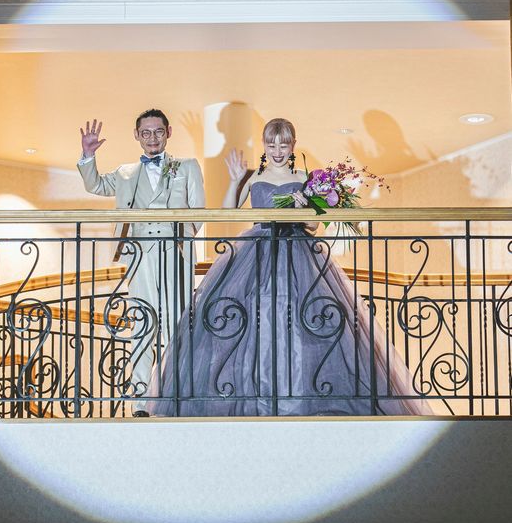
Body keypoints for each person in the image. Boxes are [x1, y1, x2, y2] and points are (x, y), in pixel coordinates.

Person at [148, 118, 430, 416]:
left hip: (298, 254)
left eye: (283, 145)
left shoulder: (304, 176)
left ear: (293, 145)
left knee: (301, 321)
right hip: (256, 254)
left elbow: (314, 225)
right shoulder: (254, 176)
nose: (277, 151)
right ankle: (256, 396)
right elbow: (228, 213)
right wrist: (234, 180)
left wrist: (301, 207)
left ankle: (300, 395)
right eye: (271, 145)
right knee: (252, 320)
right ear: (264, 145)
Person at [77, 110, 205, 416]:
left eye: (158, 131)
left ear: (168, 132)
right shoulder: (125, 172)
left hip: (175, 252)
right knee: (142, 323)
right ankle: (139, 402)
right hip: (139, 254)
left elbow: (199, 210)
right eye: (145, 132)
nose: (152, 138)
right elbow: (95, 185)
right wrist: (88, 155)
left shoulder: (186, 166)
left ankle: (176, 395)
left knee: (177, 323)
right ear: (137, 135)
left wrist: (180, 238)